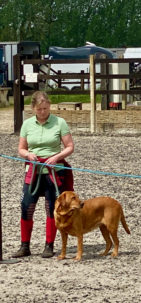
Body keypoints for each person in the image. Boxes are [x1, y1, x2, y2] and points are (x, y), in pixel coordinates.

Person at [12, 91, 74, 259]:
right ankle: (25, 246)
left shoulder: (59, 122)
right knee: (26, 206)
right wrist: (27, 155)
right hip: (33, 169)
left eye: (45, 108)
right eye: (39, 109)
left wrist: (56, 157)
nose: (43, 112)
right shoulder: (27, 124)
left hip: (54, 170)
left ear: (49, 106)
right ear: (33, 108)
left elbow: (69, 146)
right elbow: (21, 148)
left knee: (51, 208)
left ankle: (49, 245)